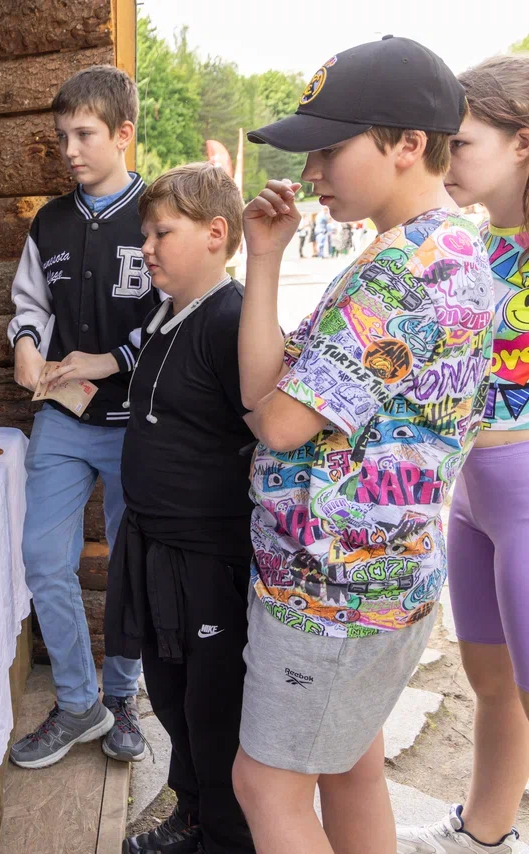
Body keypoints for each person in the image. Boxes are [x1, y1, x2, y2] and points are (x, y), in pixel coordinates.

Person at [234, 37, 494, 854]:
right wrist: (266, 257)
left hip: (333, 592)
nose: (311, 172)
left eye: (329, 149)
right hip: (370, 580)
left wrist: (272, 401)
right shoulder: (432, 248)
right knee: (350, 765)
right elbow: (265, 391)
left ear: (409, 143)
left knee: (267, 785)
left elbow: (277, 420)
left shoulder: (404, 269)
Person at [7, 64, 159, 769]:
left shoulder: (159, 210)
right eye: (61, 136)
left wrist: (112, 358)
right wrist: (26, 345)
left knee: (131, 564)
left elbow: (182, 307)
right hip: (64, 421)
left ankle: (123, 696)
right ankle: (78, 703)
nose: (69, 150)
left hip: (142, 424)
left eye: (84, 135)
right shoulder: (50, 222)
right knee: (44, 558)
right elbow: (30, 303)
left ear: (123, 134)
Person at [396, 54, 529, 854]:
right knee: (490, 682)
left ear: (523, 142)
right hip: (470, 497)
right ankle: (486, 833)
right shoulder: (475, 242)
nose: (446, 159)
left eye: (464, 142)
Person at [106, 163, 257, 854]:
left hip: (208, 558)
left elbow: (267, 435)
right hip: (156, 546)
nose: (147, 248)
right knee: (171, 695)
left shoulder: (233, 321)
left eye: (162, 233)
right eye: (146, 235)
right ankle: (193, 816)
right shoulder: (165, 316)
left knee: (214, 709)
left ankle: (227, 837)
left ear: (215, 233)